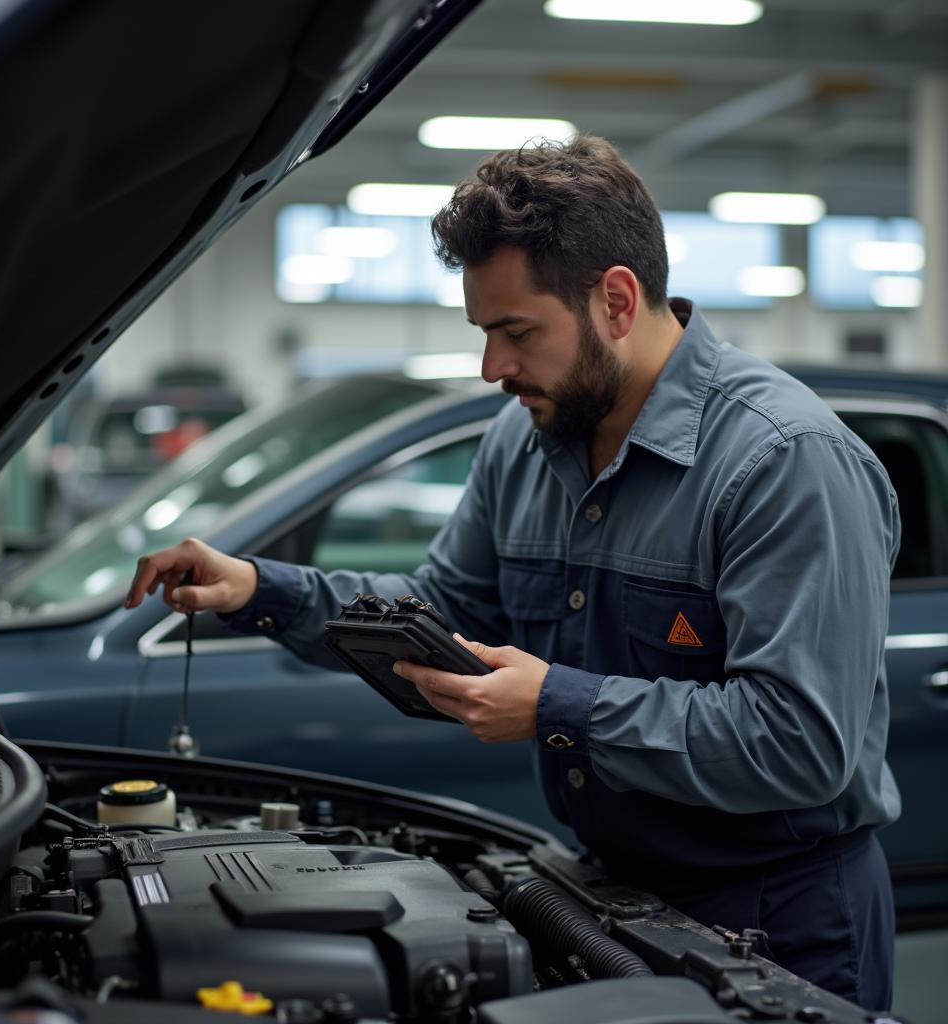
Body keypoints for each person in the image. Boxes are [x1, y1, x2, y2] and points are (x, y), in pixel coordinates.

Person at [125, 135, 900, 1011]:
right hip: (611, 895)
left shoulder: (783, 462)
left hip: (780, 917)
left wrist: (558, 704)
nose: (493, 368)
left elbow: (799, 743)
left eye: (516, 332)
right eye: (485, 333)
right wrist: (261, 589)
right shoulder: (523, 443)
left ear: (615, 300)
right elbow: (444, 614)